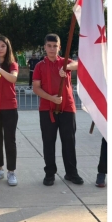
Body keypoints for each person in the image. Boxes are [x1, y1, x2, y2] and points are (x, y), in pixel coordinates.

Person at [33, 33, 82, 186]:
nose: (52, 49)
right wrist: (52, 98)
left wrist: (66, 67)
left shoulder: (65, 62)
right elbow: (36, 88)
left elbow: (79, 65)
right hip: (47, 109)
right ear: (45, 47)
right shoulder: (39, 66)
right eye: (49, 46)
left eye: (55, 46)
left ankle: (71, 173)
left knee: (69, 142)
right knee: (48, 142)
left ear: (60, 47)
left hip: (67, 108)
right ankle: (49, 173)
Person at [0, 36, 20, 186]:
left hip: (9, 107)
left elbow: (13, 79)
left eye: (3, 46)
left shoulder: (12, 64)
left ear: (8, 48)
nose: (0, 49)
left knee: (10, 140)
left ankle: (11, 171)